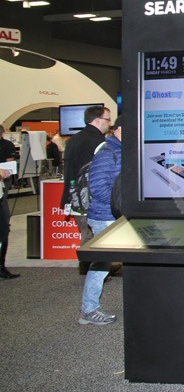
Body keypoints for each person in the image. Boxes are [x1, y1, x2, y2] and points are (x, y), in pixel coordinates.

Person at [79, 117, 122, 325]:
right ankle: (89, 309)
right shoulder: (107, 152)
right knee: (102, 263)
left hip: (115, 215)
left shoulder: (120, 149)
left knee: (106, 262)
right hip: (105, 216)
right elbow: (98, 188)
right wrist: (122, 204)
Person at [60, 106, 110, 275]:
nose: (109, 124)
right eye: (107, 120)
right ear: (98, 120)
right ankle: (93, 269)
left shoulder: (73, 139)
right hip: (89, 197)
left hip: (74, 196)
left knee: (86, 232)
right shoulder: (99, 142)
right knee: (95, 234)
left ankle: (87, 266)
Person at [0, 124, 18, 278]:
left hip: (1, 189)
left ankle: (1, 266)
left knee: (4, 227)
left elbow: (9, 166)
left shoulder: (6, 145)